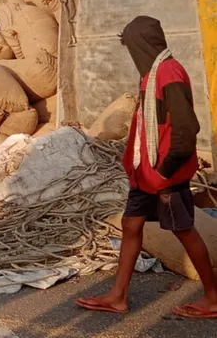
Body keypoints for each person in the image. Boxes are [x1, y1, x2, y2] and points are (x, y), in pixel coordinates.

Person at [76, 16, 217, 318]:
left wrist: (165, 172)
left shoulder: (169, 74)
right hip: (146, 174)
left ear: (141, 44)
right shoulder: (151, 74)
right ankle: (118, 296)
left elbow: (185, 129)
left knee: (184, 230)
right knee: (131, 225)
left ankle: (213, 298)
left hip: (165, 174)